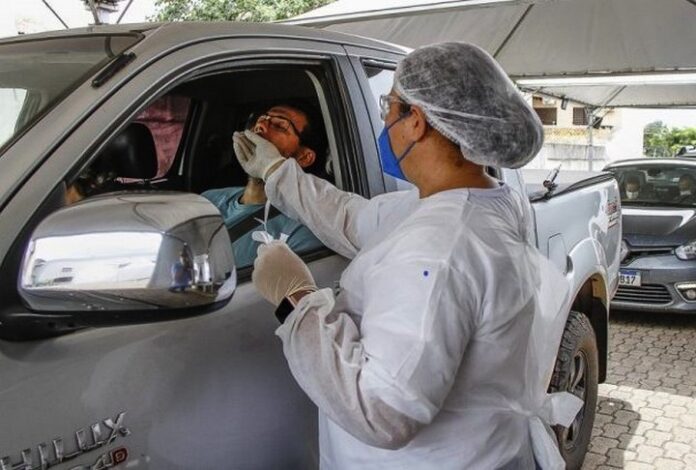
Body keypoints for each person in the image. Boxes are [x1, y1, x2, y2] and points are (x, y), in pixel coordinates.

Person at [234, 43, 581, 469]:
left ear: (415, 122)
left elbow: (381, 410)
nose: (383, 121)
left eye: (389, 106)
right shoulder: (480, 201)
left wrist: (297, 299)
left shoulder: (440, 249)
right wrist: (276, 171)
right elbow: (351, 218)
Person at [202, 103, 326, 267]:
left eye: (279, 126)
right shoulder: (207, 199)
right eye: (261, 119)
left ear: (304, 157)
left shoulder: (300, 232)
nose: (260, 125)